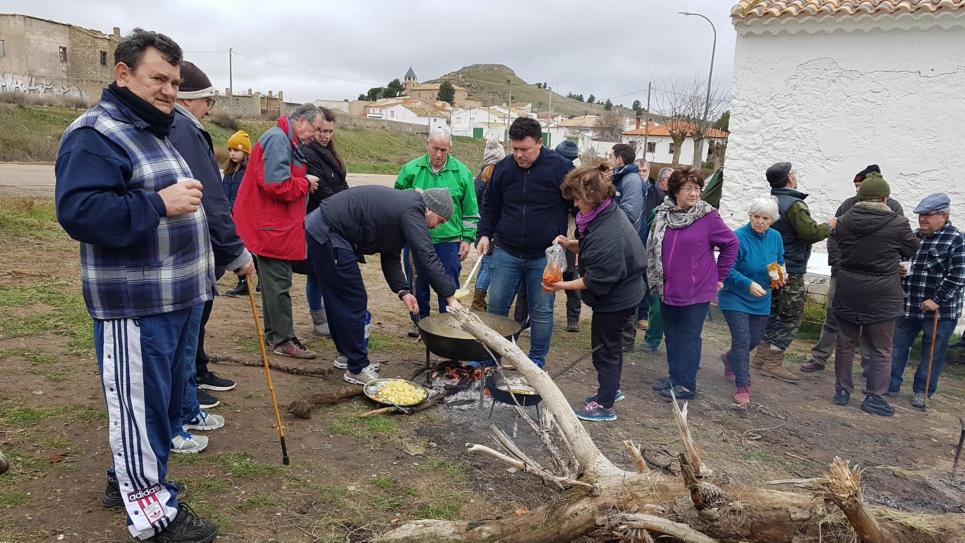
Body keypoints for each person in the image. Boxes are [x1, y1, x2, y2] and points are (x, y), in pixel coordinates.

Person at [54, 28, 218, 541]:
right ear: (123, 74)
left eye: (175, 82)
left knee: (160, 407)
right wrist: (158, 203)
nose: (170, 91)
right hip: (135, 303)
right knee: (139, 408)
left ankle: (126, 481)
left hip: (177, 298)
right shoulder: (95, 134)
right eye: (158, 79)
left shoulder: (153, 128)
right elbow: (81, 212)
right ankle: (153, 514)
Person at [305, 186, 464, 384]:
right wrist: (450, 297)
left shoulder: (406, 208)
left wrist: (403, 291)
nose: (437, 227)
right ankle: (357, 368)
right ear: (430, 209)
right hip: (328, 232)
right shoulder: (413, 210)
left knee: (339, 297)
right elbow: (427, 257)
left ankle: (348, 356)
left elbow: (390, 255)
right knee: (352, 299)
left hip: (323, 229)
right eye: (439, 220)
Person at [170, 61, 253, 426]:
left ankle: (192, 382)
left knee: (192, 324)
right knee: (187, 326)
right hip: (189, 249)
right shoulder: (185, 128)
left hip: (191, 246)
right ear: (189, 100)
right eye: (208, 101)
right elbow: (211, 197)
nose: (209, 108)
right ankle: (184, 402)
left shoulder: (178, 126)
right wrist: (235, 252)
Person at [547, 165, 646, 421]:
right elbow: (589, 244)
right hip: (624, 290)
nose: (575, 205)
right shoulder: (604, 214)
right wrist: (570, 244)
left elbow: (596, 280)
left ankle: (605, 404)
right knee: (611, 346)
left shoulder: (609, 232)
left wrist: (560, 286)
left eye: (578, 199)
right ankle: (611, 390)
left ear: (592, 196)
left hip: (617, 299)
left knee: (605, 349)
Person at [476, 117, 574, 367]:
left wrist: (578, 241)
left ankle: (536, 363)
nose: (518, 155)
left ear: (539, 143)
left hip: (544, 256)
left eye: (525, 149)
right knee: (497, 307)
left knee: (542, 311)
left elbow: (578, 206)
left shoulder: (561, 168)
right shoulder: (503, 168)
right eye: (515, 148)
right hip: (506, 251)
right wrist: (484, 234)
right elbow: (490, 206)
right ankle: (491, 359)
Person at [234, 104, 324, 359]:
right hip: (272, 226)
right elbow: (276, 184)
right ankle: (284, 340)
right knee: (279, 283)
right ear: (301, 121)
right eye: (316, 129)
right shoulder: (278, 140)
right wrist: (305, 183)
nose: (317, 135)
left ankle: (276, 335)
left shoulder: (283, 138)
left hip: (273, 224)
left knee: (273, 284)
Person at [830, 174, 918, 416]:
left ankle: (842, 391)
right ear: (885, 198)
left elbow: (836, 242)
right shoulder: (898, 223)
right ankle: (874, 397)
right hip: (882, 292)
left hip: (848, 288)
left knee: (845, 344)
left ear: (860, 197)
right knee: (881, 348)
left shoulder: (843, 221)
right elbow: (912, 248)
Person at [802, 164, 904, 373]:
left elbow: (899, 242)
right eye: (856, 185)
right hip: (843, 273)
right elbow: (834, 236)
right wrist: (838, 264)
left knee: (871, 322)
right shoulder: (848, 205)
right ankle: (820, 357)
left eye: (861, 185)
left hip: (876, 277)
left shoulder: (893, 208)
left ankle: (869, 366)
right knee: (833, 316)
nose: (858, 189)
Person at [647, 167, 738, 400]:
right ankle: (674, 378)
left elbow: (731, 244)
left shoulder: (708, 216)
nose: (694, 193)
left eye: (697, 188)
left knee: (688, 338)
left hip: (696, 290)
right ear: (675, 191)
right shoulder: (663, 214)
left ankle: (686, 385)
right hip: (668, 287)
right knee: (672, 335)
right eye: (688, 188)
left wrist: (720, 276)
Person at [754, 162, 835, 382]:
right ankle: (773, 362)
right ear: (789, 178)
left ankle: (760, 358)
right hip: (791, 270)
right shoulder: (795, 205)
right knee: (791, 316)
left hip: (772, 267)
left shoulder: (771, 202)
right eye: (794, 173)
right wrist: (830, 225)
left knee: (772, 313)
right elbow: (810, 233)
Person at [395, 127, 478, 322]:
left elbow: (470, 210)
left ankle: (447, 322)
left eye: (444, 150)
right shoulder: (410, 170)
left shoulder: (462, 173)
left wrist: (467, 239)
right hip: (414, 238)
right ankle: (420, 322)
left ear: (449, 149)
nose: (439, 154)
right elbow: (398, 201)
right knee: (417, 282)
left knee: (448, 283)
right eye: (435, 149)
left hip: (448, 241)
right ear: (427, 145)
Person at [889, 193, 965, 407]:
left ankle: (922, 392)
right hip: (909, 305)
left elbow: (959, 275)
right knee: (897, 346)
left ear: (943, 216)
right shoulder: (915, 237)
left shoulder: (956, 239)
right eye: (920, 215)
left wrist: (937, 300)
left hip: (940, 311)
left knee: (932, 352)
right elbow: (900, 260)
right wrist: (898, 269)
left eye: (927, 215)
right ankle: (890, 384)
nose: (922, 219)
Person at [718, 197, 785, 405]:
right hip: (735, 296)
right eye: (756, 216)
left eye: (765, 218)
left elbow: (777, 261)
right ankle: (743, 385)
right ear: (750, 216)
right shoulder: (737, 237)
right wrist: (748, 284)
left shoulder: (775, 237)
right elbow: (727, 269)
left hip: (762, 297)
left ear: (772, 220)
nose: (760, 221)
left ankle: (730, 358)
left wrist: (778, 275)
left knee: (754, 340)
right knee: (742, 340)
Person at [301, 106, 348, 338]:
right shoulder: (307, 152)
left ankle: (330, 315)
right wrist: (345, 204)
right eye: (322, 131)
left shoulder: (332, 155)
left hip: (335, 218)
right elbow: (321, 189)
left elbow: (340, 183)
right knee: (316, 271)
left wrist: (349, 201)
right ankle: (318, 318)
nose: (325, 136)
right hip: (316, 217)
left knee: (330, 269)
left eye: (330, 131)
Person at [606, 144, 645, 351]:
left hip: (627, 243)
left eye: (610, 156)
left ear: (620, 159)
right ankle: (615, 336)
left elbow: (631, 213)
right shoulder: (620, 177)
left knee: (625, 289)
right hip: (617, 240)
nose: (608, 159)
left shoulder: (631, 180)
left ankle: (626, 339)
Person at [471, 139, 506, 312]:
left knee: (484, 262)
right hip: (492, 228)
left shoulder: (480, 177)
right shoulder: (495, 178)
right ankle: (478, 301)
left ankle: (479, 299)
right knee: (488, 265)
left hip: (482, 225)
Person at [637, 166, 672, 340]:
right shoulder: (658, 209)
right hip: (656, 260)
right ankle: (651, 337)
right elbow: (649, 230)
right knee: (655, 301)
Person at [553, 139, 584, 332]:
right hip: (554, 234)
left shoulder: (578, 180)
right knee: (551, 274)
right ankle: (540, 315)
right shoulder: (552, 173)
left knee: (571, 274)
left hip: (570, 233)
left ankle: (573, 318)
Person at [222, 130, 252, 297]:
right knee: (238, 247)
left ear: (245, 152)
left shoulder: (248, 173)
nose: (232, 153)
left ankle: (255, 281)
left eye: (236, 150)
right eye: (230, 150)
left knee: (247, 249)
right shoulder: (228, 172)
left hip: (243, 216)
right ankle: (243, 282)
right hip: (229, 215)